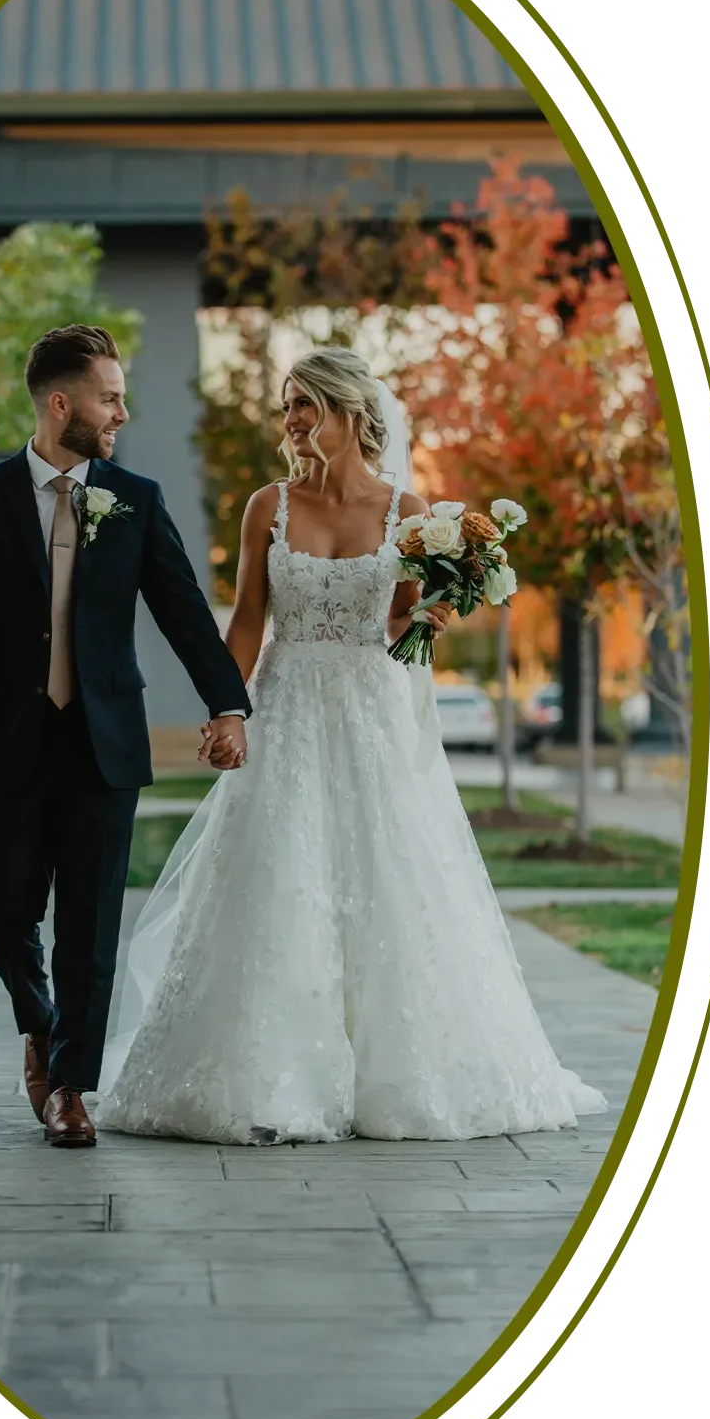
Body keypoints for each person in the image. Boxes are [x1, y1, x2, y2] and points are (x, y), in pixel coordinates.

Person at [94, 347, 607, 1145]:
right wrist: (227, 710)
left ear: (350, 413)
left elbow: (401, 619)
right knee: (276, 873)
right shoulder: (269, 506)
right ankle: (269, 1073)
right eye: (287, 406)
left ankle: (393, 1072)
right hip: (288, 703)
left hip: (372, 712)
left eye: (304, 404)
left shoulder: (412, 511)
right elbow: (250, 622)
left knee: (386, 874)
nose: (291, 420)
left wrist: (432, 617)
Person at [0, 325, 255, 1149]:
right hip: (1, 738)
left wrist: (229, 705)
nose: (122, 412)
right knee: (0, 910)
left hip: (104, 740)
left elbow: (181, 607)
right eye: (110, 397)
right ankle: (41, 1025)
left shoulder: (133, 499)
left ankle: (71, 1085)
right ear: (60, 403)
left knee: (92, 926)